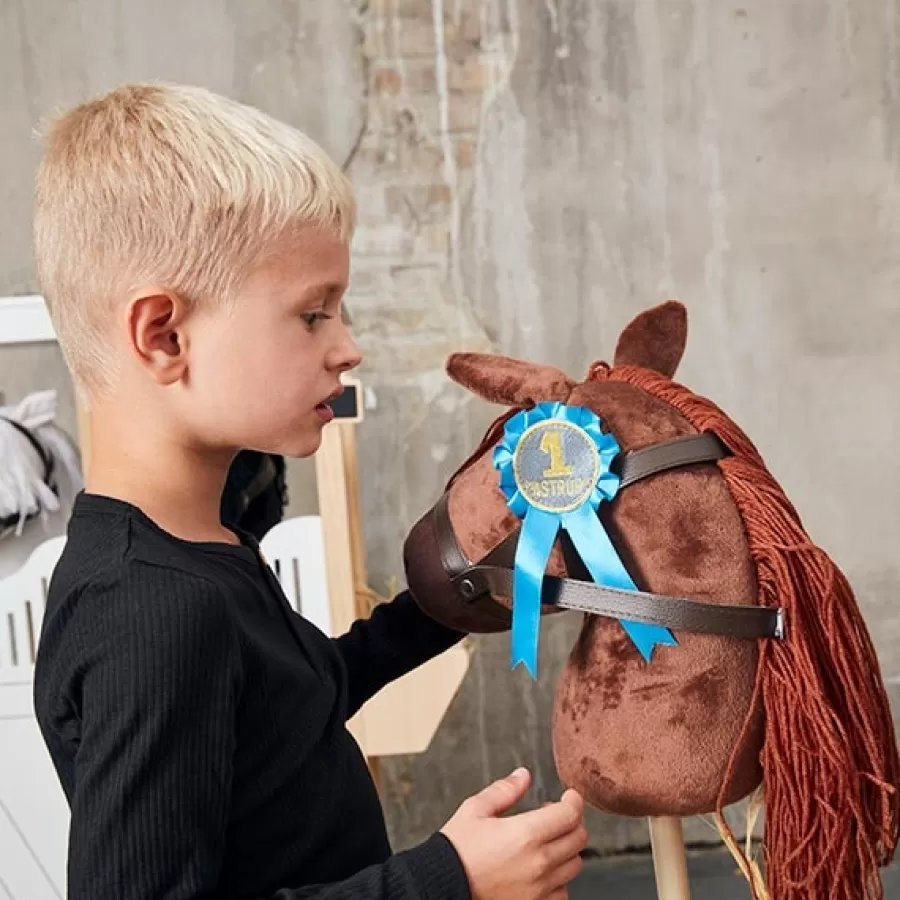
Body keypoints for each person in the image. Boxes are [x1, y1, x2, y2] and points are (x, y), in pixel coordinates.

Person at [31, 83, 588, 900]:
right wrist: (446, 878)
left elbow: (294, 706)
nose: (348, 347)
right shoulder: (150, 611)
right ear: (165, 335)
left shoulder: (202, 547)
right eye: (312, 314)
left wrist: (465, 588)